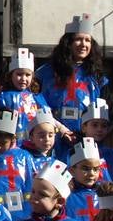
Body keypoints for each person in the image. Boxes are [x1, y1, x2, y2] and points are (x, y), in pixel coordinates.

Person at [34, 14, 108, 145]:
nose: (83, 44)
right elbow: (35, 105)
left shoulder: (97, 77)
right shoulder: (45, 73)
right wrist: (60, 129)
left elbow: (107, 114)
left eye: (87, 40)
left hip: (86, 141)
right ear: (68, 43)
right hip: (51, 139)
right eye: (78, 39)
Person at [0, 110, 35, 220]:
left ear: (12, 139)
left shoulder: (23, 156)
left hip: (21, 209)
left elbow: (31, 180)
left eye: (2, 143)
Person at [0, 48, 44, 136]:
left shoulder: (36, 97)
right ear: (10, 75)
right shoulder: (3, 97)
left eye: (27, 75)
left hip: (33, 143)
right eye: (19, 74)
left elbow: (47, 117)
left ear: (32, 77)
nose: (23, 79)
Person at [80, 99, 113, 182]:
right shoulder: (74, 153)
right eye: (95, 125)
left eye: (104, 126)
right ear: (83, 127)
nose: (99, 129)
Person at [65, 138, 104, 221]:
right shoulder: (65, 195)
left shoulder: (104, 193)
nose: (91, 174)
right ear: (72, 171)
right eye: (85, 169)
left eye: (96, 169)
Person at [21, 107, 60, 175]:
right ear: (31, 137)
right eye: (41, 136)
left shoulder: (54, 154)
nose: (47, 139)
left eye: (50, 135)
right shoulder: (25, 157)